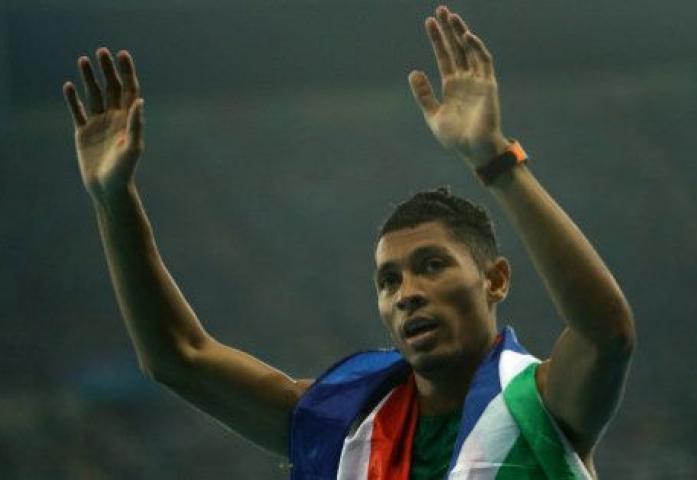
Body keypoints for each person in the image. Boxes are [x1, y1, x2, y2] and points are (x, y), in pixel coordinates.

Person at [62, 5, 634, 479]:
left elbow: (606, 332)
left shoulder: (543, 403)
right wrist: (113, 199)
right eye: (389, 280)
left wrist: (494, 159)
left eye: (432, 265)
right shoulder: (344, 422)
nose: (407, 293)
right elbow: (178, 357)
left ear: (495, 279)